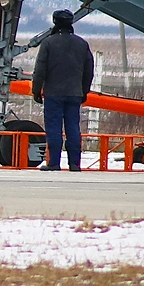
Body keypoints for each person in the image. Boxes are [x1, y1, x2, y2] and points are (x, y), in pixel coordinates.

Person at [31, 9, 94, 172]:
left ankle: (53, 163)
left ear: (55, 22)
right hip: (74, 93)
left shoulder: (48, 43)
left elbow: (40, 70)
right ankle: (74, 164)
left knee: (54, 128)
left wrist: (36, 90)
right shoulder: (81, 44)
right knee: (73, 127)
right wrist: (83, 91)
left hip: (53, 93)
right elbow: (89, 71)